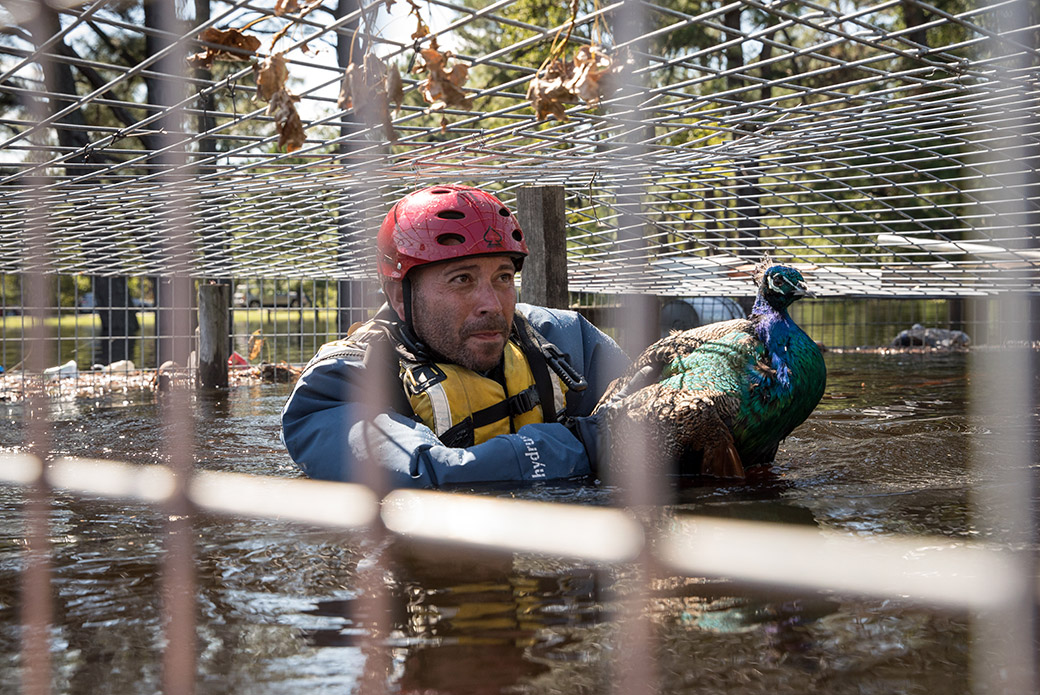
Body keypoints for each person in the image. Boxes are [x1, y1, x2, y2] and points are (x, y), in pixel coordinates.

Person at [280, 184, 632, 488]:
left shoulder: (564, 340)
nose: (492, 305)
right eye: (462, 279)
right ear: (400, 295)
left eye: (503, 277)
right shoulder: (336, 386)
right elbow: (422, 476)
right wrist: (587, 446)